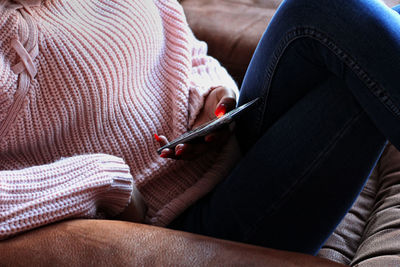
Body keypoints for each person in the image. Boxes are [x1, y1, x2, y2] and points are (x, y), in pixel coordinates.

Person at [0, 0, 399, 256]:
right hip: (186, 231)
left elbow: (184, 47)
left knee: (324, 9)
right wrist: (102, 181)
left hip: (232, 143)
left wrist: (215, 95)